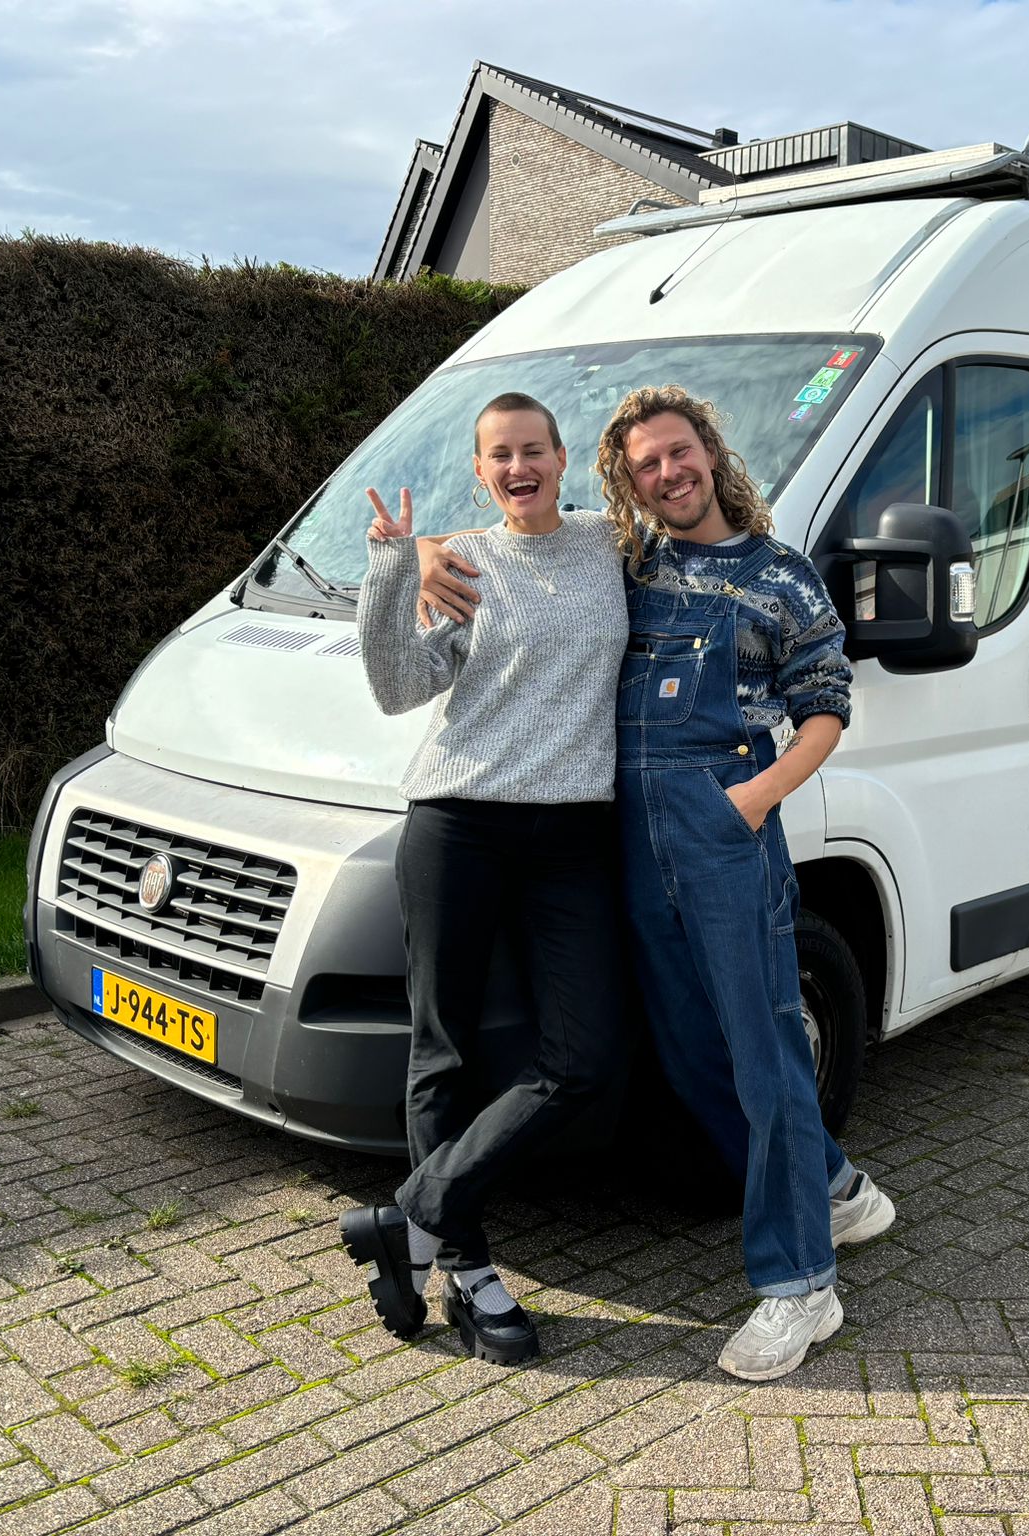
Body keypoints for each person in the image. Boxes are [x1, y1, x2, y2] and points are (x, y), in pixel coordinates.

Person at [421, 386, 896, 1381]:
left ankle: (801, 1284)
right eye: (646, 464)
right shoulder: (627, 561)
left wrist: (752, 801)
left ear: (710, 454)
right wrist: (425, 553)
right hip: (628, 833)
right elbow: (518, 534)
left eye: (679, 453)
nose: (668, 473)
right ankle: (836, 1189)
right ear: (627, 483)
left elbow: (826, 706)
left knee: (765, 1049)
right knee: (689, 1053)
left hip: (724, 826)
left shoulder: (780, 575)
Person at [337, 391, 630, 1366]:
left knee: (585, 1058)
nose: (518, 467)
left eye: (533, 450)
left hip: (570, 833)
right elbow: (396, 690)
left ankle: (411, 1219)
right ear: (480, 472)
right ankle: (467, 1268)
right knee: (446, 1050)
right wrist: (396, 564)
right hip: (457, 824)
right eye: (499, 455)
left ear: (562, 458)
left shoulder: (611, 546)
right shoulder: (460, 561)